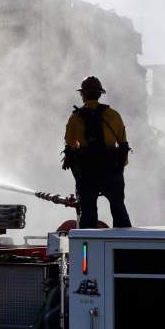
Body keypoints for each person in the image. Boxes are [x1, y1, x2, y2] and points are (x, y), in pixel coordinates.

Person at [62, 76, 131, 229]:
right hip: (111, 170)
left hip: (87, 173)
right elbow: (123, 144)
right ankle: (126, 245)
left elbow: (70, 146)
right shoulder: (113, 115)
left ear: (83, 94)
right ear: (99, 94)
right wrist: (118, 172)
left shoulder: (76, 118)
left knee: (88, 213)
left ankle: (88, 247)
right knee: (119, 208)